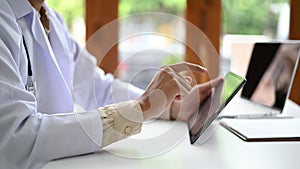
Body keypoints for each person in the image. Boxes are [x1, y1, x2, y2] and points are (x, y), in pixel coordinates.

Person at [0, 0, 222, 169]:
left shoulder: (50, 18)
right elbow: (16, 139)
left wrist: (170, 106)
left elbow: (99, 88)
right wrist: (141, 108)